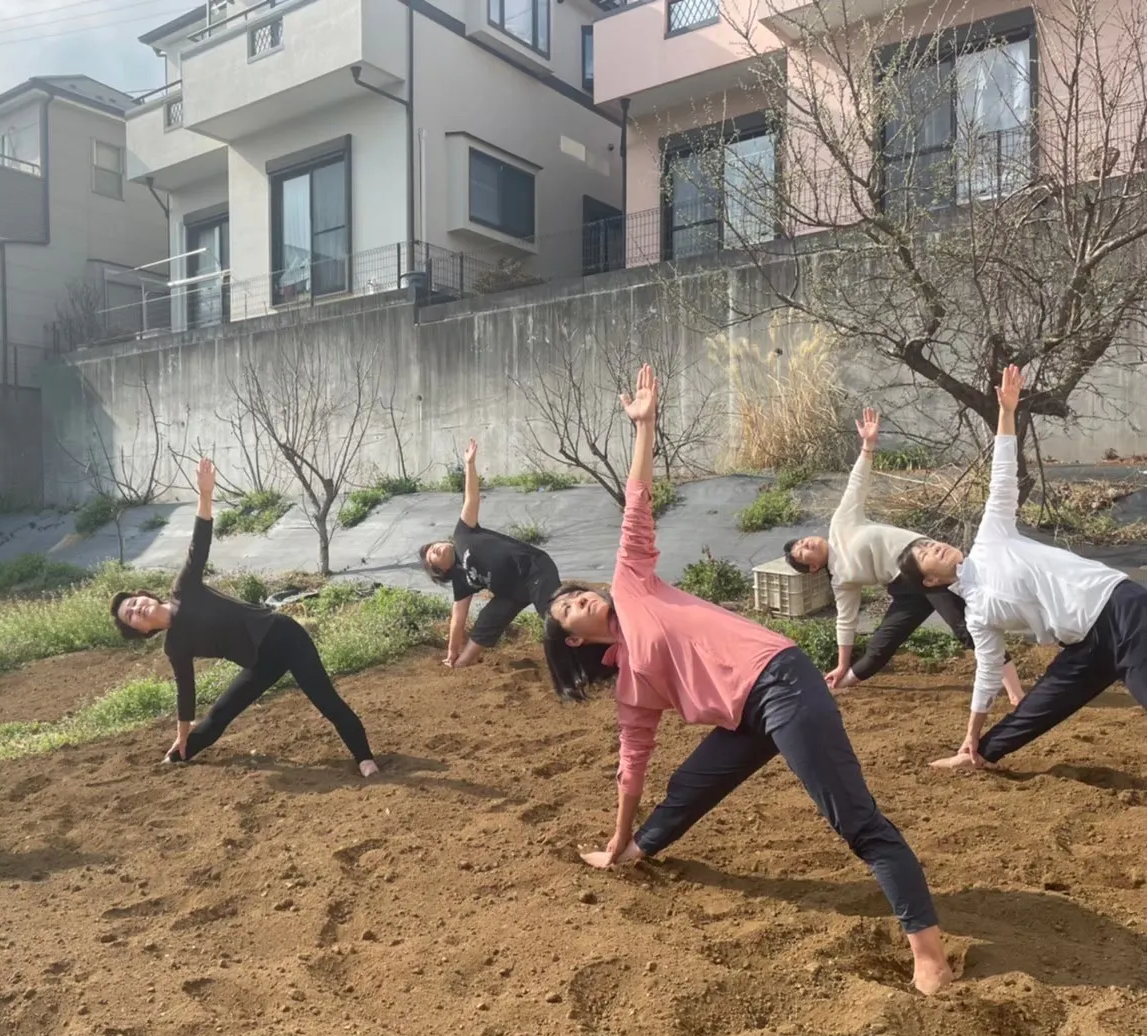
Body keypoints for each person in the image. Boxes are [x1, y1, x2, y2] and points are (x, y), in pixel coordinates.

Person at [542, 364, 951, 995]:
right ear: (573, 639)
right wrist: (618, 840)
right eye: (569, 608)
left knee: (852, 819)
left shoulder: (633, 582)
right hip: (745, 715)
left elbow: (637, 503)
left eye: (576, 592)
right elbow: (631, 766)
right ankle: (640, 850)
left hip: (782, 682)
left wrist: (645, 427)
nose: (580, 599)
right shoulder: (630, 689)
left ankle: (929, 954)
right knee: (688, 783)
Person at [897, 365, 1147, 772]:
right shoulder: (977, 616)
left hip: (1121, 610)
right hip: (1083, 643)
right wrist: (971, 735)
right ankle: (977, 756)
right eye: (924, 552)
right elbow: (987, 673)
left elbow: (1002, 480)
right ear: (928, 580)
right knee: (1038, 706)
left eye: (929, 542)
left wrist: (1007, 412)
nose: (934, 545)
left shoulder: (990, 538)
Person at [111, 458, 379, 777]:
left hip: (284, 637)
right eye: (131, 616)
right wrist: (182, 733)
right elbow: (186, 690)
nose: (137, 609)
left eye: (134, 603)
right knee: (218, 716)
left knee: (326, 701)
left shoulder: (183, 589)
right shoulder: (174, 646)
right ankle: (175, 759)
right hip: (259, 662)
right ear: (141, 631)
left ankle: (365, 759)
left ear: (147, 596)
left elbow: (199, 544)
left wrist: (205, 494)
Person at [782, 409, 1024, 702]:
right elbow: (845, 621)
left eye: (803, 542)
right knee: (880, 645)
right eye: (802, 552)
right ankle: (841, 683)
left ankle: (1015, 692)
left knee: (964, 628)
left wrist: (868, 445)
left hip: (927, 566)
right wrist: (842, 664)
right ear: (812, 568)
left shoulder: (841, 524)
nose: (806, 544)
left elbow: (856, 486)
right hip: (904, 588)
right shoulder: (841, 580)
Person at [419, 438, 562, 669]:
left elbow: (471, 498)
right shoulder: (460, 583)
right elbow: (458, 619)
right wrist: (452, 651)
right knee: (486, 621)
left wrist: (469, 464)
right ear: (441, 570)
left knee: (555, 616)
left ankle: (587, 649)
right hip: (511, 593)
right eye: (430, 556)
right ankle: (460, 664)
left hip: (533, 569)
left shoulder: (463, 533)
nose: (433, 549)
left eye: (432, 546)